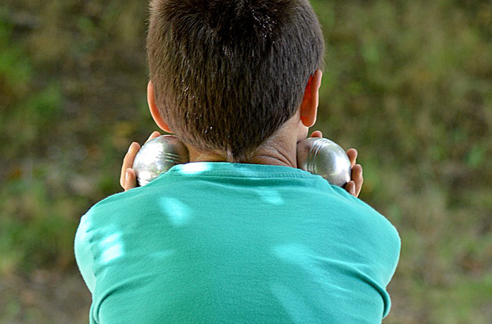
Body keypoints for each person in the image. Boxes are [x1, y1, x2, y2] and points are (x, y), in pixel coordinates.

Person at [74, 0, 401, 323]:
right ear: (310, 97)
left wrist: (135, 208)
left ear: (156, 105)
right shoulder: (375, 236)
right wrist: (343, 215)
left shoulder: (102, 230)